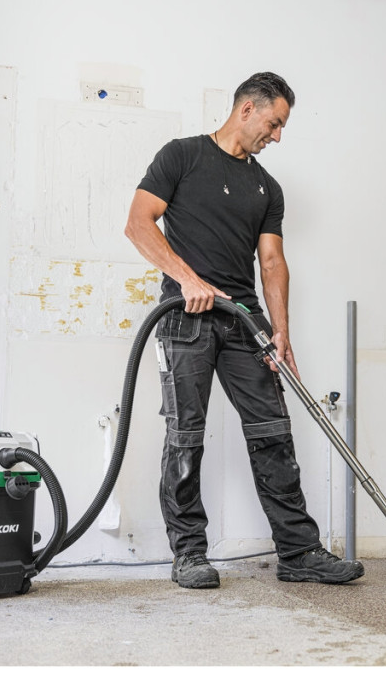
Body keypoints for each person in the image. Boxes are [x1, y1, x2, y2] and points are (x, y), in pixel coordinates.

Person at [124, 71, 365, 589]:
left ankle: (298, 553)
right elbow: (138, 223)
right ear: (247, 109)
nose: (276, 136)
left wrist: (281, 332)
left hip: (243, 321)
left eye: (281, 128)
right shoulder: (182, 156)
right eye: (274, 124)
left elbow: (272, 262)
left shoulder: (267, 188)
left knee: (273, 431)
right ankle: (189, 554)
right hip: (185, 319)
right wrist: (187, 278)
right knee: (185, 437)